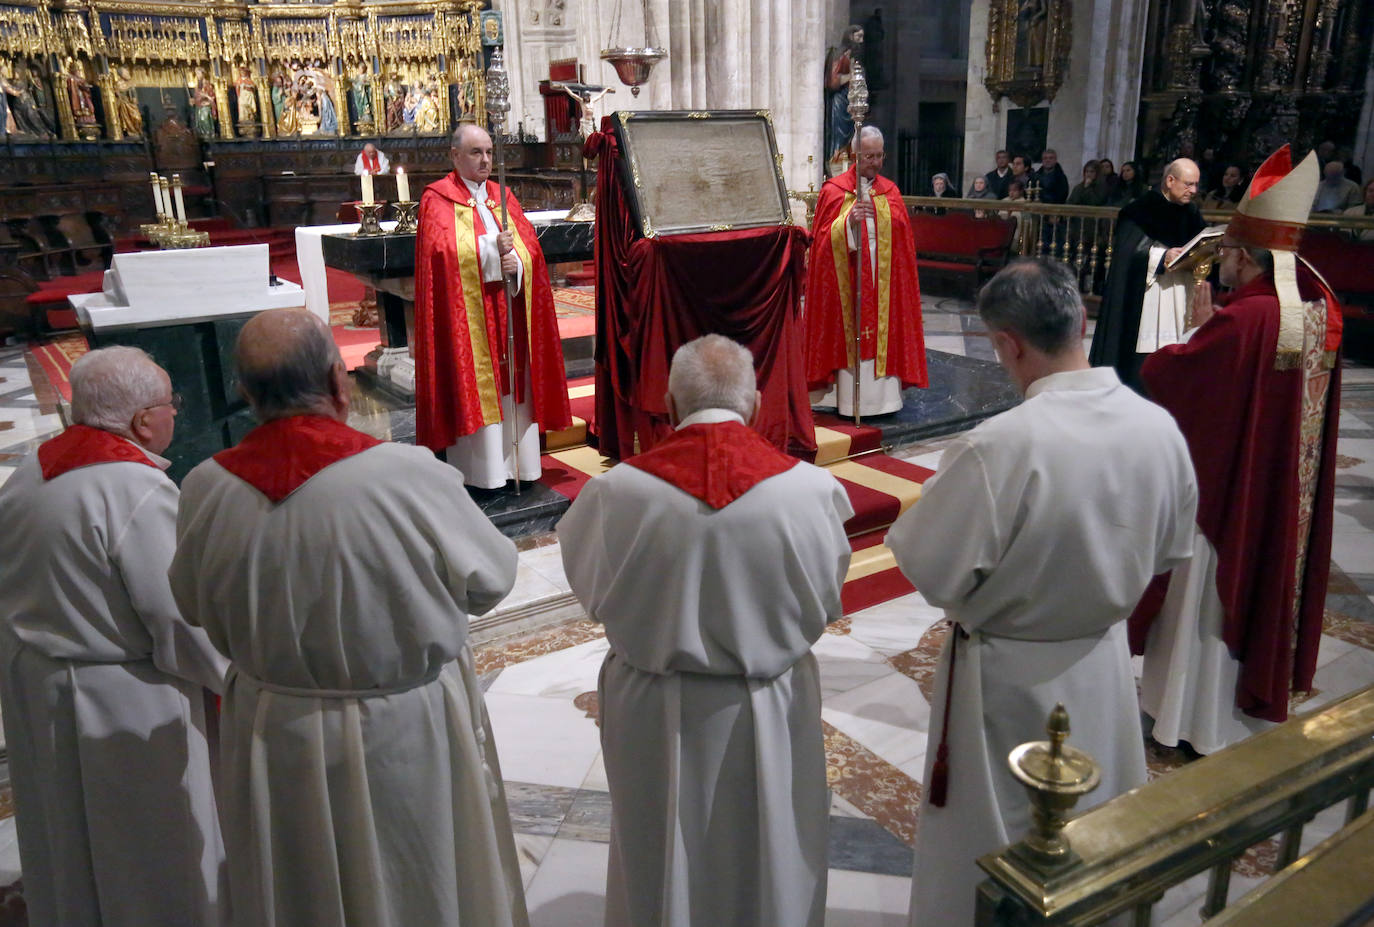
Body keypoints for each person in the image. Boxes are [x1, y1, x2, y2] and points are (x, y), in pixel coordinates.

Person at [169, 308, 530, 927]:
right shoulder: (408, 474)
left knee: (300, 884)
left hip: (272, 726)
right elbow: (492, 579)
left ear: (248, 395)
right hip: (401, 728)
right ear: (340, 382)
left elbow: (193, 605)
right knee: (415, 879)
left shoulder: (204, 486)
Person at [887, 258, 1197, 927]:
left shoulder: (999, 445)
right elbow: (1172, 549)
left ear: (1007, 344)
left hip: (1002, 681)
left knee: (991, 843)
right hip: (1104, 662)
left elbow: (928, 563)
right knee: (1095, 828)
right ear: (1081, 320)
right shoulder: (1158, 428)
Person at [558, 334, 853, 927]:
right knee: (769, 855)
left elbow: (591, 592)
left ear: (669, 405)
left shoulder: (615, 494)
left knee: (658, 858)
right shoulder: (812, 491)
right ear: (756, 405)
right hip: (769, 704)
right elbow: (827, 599)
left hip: (653, 707)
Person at [0, 346, 228, 927]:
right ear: (141, 421)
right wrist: (239, 675)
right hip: (126, 698)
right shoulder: (135, 490)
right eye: (170, 403)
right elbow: (181, 618)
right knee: (148, 851)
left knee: (67, 839)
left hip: (38, 682)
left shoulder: (32, 469)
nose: (176, 413)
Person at [1132, 146, 1344, 755]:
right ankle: (1228, 712)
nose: (1216, 260)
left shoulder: (1241, 321)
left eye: (1223, 252)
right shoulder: (1311, 311)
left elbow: (1173, 379)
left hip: (1224, 499)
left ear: (1248, 261)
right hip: (1274, 497)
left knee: (1203, 598)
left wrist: (1197, 330)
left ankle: (1184, 718)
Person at [414, 124, 571, 487]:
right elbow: (443, 255)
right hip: (470, 323)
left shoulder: (503, 195)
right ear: (455, 156)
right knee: (478, 389)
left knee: (515, 390)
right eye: (475, 152)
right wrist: (489, 253)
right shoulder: (437, 199)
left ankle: (522, 467)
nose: (485, 160)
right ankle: (482, 474)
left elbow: (530, 248)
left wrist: (517, 262)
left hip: (509, 312)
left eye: (488, 152)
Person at [805, 125, 928, 417]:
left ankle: (882, 401)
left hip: (882, 280)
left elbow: (902, 238)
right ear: (853, 155)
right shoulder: (833, 191)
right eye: (868, 156)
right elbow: (820, 240)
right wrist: (848, 223)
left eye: (878, 155)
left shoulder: (891, 191)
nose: (875, 162)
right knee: (847, 332)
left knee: (881, 332)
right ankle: (843, 399)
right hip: (846, 277)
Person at [1088, 157, 1206, 392]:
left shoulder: (1191, 212)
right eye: (1188, 184)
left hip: (1182, 292)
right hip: (1150, 296)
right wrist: (1162, 257)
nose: (1193, 191)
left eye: (1196, 185)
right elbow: (1129, 253)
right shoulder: (1140, 210)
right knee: (1147, 360)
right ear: (1170, 180)